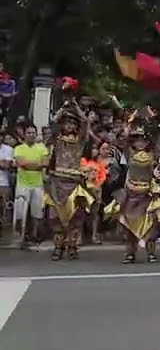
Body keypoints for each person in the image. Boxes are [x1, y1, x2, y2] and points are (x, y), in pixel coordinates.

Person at [103, 111, 160, 263]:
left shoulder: (153, 154)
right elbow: (125, 135)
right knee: (129, 225)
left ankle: (151, 253)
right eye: (137, 140)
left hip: (147, 193)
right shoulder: (129, 152)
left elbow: (158, 136)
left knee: (150, 225)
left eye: (143, 140)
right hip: (131, 192)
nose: (140, 143)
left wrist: (152, 116)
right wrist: (133, 116)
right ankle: (130, 253)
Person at [44, 99, 96, 260]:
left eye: (73, 124)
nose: (69, 126)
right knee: (55, 217)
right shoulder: (57, 140)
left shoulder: (80, 141)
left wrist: (75, 105)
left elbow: (86, 121)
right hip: (57, 182)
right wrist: (64, 105)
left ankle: (72, 246)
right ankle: (58, 247)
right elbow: (52, 122)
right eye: (66, 123)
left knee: (75, 217)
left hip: (74, 182)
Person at [13, 123, 48, 249]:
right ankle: (21, 237)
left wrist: (30, 164)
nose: (31, 135)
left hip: (37, 185)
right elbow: (21, 163)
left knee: (37, 213)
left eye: (33, 132)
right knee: (20, 213)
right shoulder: (19, 148)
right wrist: (36, 165)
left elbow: (45, 163)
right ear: (24, 134)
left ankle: (34, 237)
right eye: (29, 133)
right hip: (22, 185)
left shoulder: (42, 147)